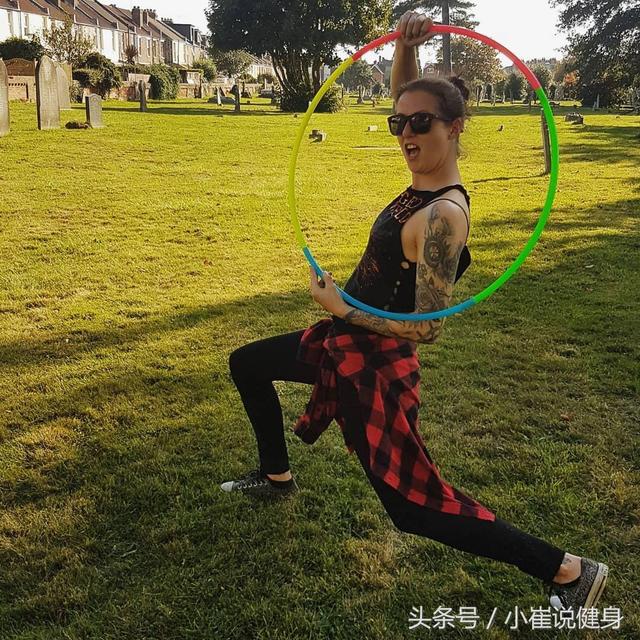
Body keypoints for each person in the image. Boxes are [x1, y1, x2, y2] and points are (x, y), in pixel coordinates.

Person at [222, 11, 609, 611]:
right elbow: (411, 96)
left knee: (413, 507)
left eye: (420, 123)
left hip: (374, 367)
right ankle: (276, 475)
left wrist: (340, 306)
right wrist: (405, 47)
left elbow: (427, 327)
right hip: (343, 343)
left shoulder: (443, 217)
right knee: (247, 363)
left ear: (455, 128)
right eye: (399, 122)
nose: (406, 133)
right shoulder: (425, 178)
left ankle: (568, 571)